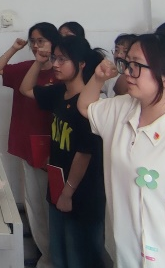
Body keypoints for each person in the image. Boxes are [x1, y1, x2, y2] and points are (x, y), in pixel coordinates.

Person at [78, 33, 165, 268]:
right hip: (123, 255)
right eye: (126, 63)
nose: (127, 72)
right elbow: (85, 107)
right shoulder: (122, 109)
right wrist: (98, 79)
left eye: (136, 65)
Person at [21, 35, 108, 268]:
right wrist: (39, 62)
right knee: (58, 254)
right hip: (58, 186)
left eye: (62, 59)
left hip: (81, 192)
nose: (56, 64)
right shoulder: (59, 92)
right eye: (54, 58)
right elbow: (26, 89)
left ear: (81, 64)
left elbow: (84, 153)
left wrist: (68, 193)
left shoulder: (89, 105)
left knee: (79, 256)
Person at [0, 22, 61, 268]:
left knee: (55, 204)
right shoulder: (26, 68)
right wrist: (15, 47)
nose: (35, 45)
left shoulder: (61, 71)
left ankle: (56, 256)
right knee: (35, 203)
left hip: (56, 145)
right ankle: (47, 256)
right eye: (33, 41)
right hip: (29, 143)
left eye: (41, 40)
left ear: (54, 42)